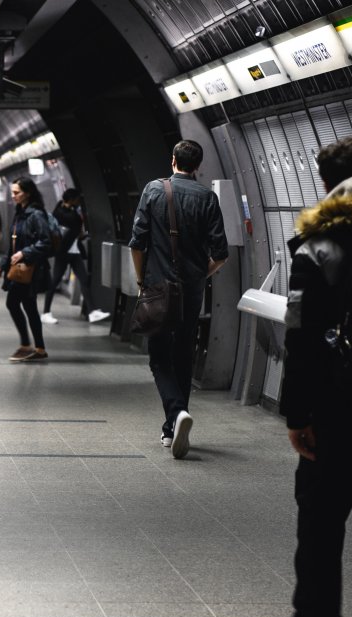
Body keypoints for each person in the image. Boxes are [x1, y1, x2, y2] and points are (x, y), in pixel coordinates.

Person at [277, 137, 352, 617]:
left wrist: (297, 415)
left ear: (325, 183)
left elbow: (303, 337)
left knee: (320, 524)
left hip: (340, 407)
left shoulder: (320, 244)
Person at [129, 140, 228, 459]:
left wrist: (142, 278)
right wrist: (201, 274)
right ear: (197, 166)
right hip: (192, 290)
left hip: (159, 286)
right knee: (183, 355)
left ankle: (175, 415)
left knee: (159, 357)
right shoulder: (208, 197)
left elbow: (137, 241)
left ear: (172, 161)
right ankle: (173, 426)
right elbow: (221, 254)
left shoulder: (154, 190)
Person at [0, 177, 52, 361]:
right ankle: (38, 348)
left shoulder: (36, 215)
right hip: (21, 269)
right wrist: (2, 266)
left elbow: (46, 241)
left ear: (28, 193)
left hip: (31, 269)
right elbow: (13, 244)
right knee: (29, 307)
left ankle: (27, 345)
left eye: (17, 192)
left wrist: (25, 253)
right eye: (12, 192)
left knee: (13, 303)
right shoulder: (21, 213)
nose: (13, 196)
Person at [41, 187, 110, 324]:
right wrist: (80, 224)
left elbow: (76, 229)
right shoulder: (62, 213)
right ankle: (46, 313)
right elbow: (75, 224)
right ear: (72, 200)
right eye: (78, 199)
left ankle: (92, 312)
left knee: (84, 281)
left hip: (75, 251)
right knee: (54, 282)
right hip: (63, 252)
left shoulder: (67, 210)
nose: (79, 201)